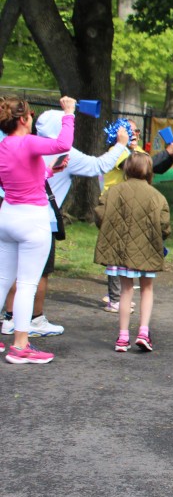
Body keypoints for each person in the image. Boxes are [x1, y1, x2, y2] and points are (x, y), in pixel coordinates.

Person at [1, 110, 129, 338]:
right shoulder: (62, 151)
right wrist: (120, 145)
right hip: (39, 219)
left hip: (9, 214)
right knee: (36, 276)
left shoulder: (14, 145)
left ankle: (10, 317)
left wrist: (49, 172)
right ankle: (33, 322)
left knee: (7, 275)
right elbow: (98, 166)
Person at [0, 95, 76, 364]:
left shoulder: (3, 145)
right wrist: (69, 113)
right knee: (26, 285)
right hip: (32, 219)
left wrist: (50, 171)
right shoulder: (29, 141)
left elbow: (14, 178)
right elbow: (63, 144)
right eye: (30, 115)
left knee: (2, 279)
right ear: (23, 119)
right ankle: (20, 346)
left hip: (7, 216)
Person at [100, 118, 173, 313]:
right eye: (132, 131)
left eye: (137, 131)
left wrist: (170, 157)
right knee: (116, 250)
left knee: (126, 249)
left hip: (131, 206)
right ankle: (115, 298)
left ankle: (121, 295)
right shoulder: (117, 152)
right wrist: (165, 153)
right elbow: (137, 165)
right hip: (116, 206)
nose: (136, 134)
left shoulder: (136, 151)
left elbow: (153, 167)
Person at [94, 151, 171, 352]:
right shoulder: (157, 196)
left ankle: (122, 337)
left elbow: (100, 215)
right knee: (147, 289)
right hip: (147, 250)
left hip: (121, 250)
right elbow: (164, 225)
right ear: (149, 171)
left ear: (127, 169)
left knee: (125, 290)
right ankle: (143, 332)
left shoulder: (113, 192)